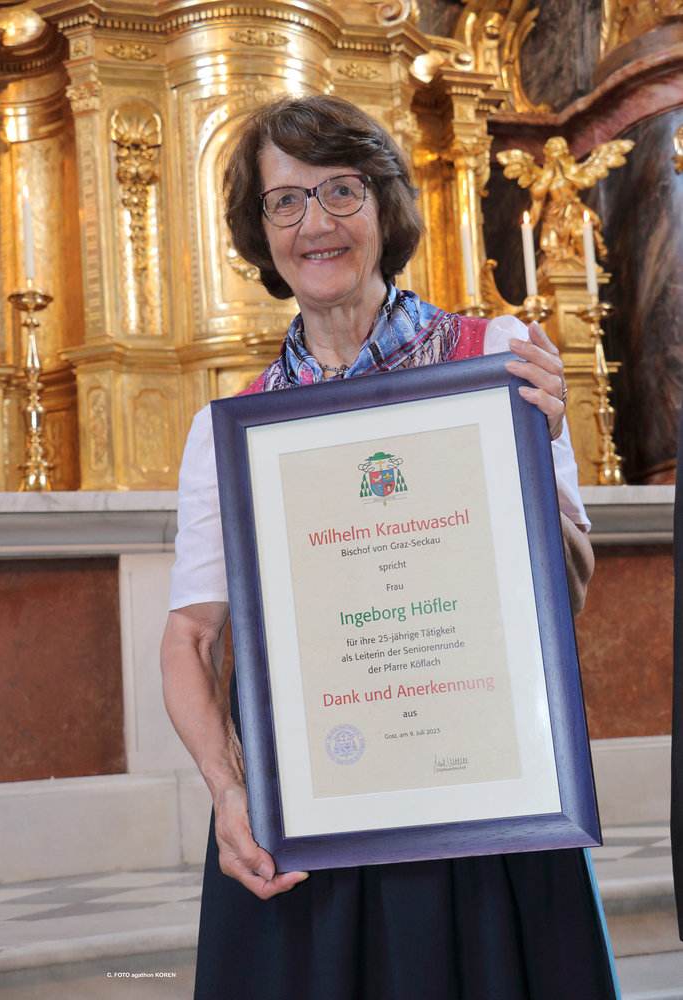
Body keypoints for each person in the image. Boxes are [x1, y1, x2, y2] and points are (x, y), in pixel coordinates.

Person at [161, 95, 619, 1000]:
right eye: (285, 201)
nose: (316, 224)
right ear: (260, 231)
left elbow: (564, 592)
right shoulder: (232, 429)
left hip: (481, 806)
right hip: (309, 817)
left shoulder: (497, 360)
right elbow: (191, 637)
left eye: (341, 191)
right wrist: (227, 789)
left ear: (385, 204)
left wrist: (532, 453)